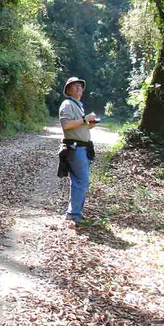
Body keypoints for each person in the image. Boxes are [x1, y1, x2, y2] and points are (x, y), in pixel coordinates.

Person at [59, 77, 97, 224]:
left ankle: (74, 212)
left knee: (79, 181)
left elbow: (78, 125)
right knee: (82, 181)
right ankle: (74, 214)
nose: (79, 88)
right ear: (68, 90)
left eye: (80, 86)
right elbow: (66, 125)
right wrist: (84, 119)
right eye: (75, 86)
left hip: (82, 148)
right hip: (76, 148)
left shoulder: (77, 105)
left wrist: (88, 125)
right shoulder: (67, 104)